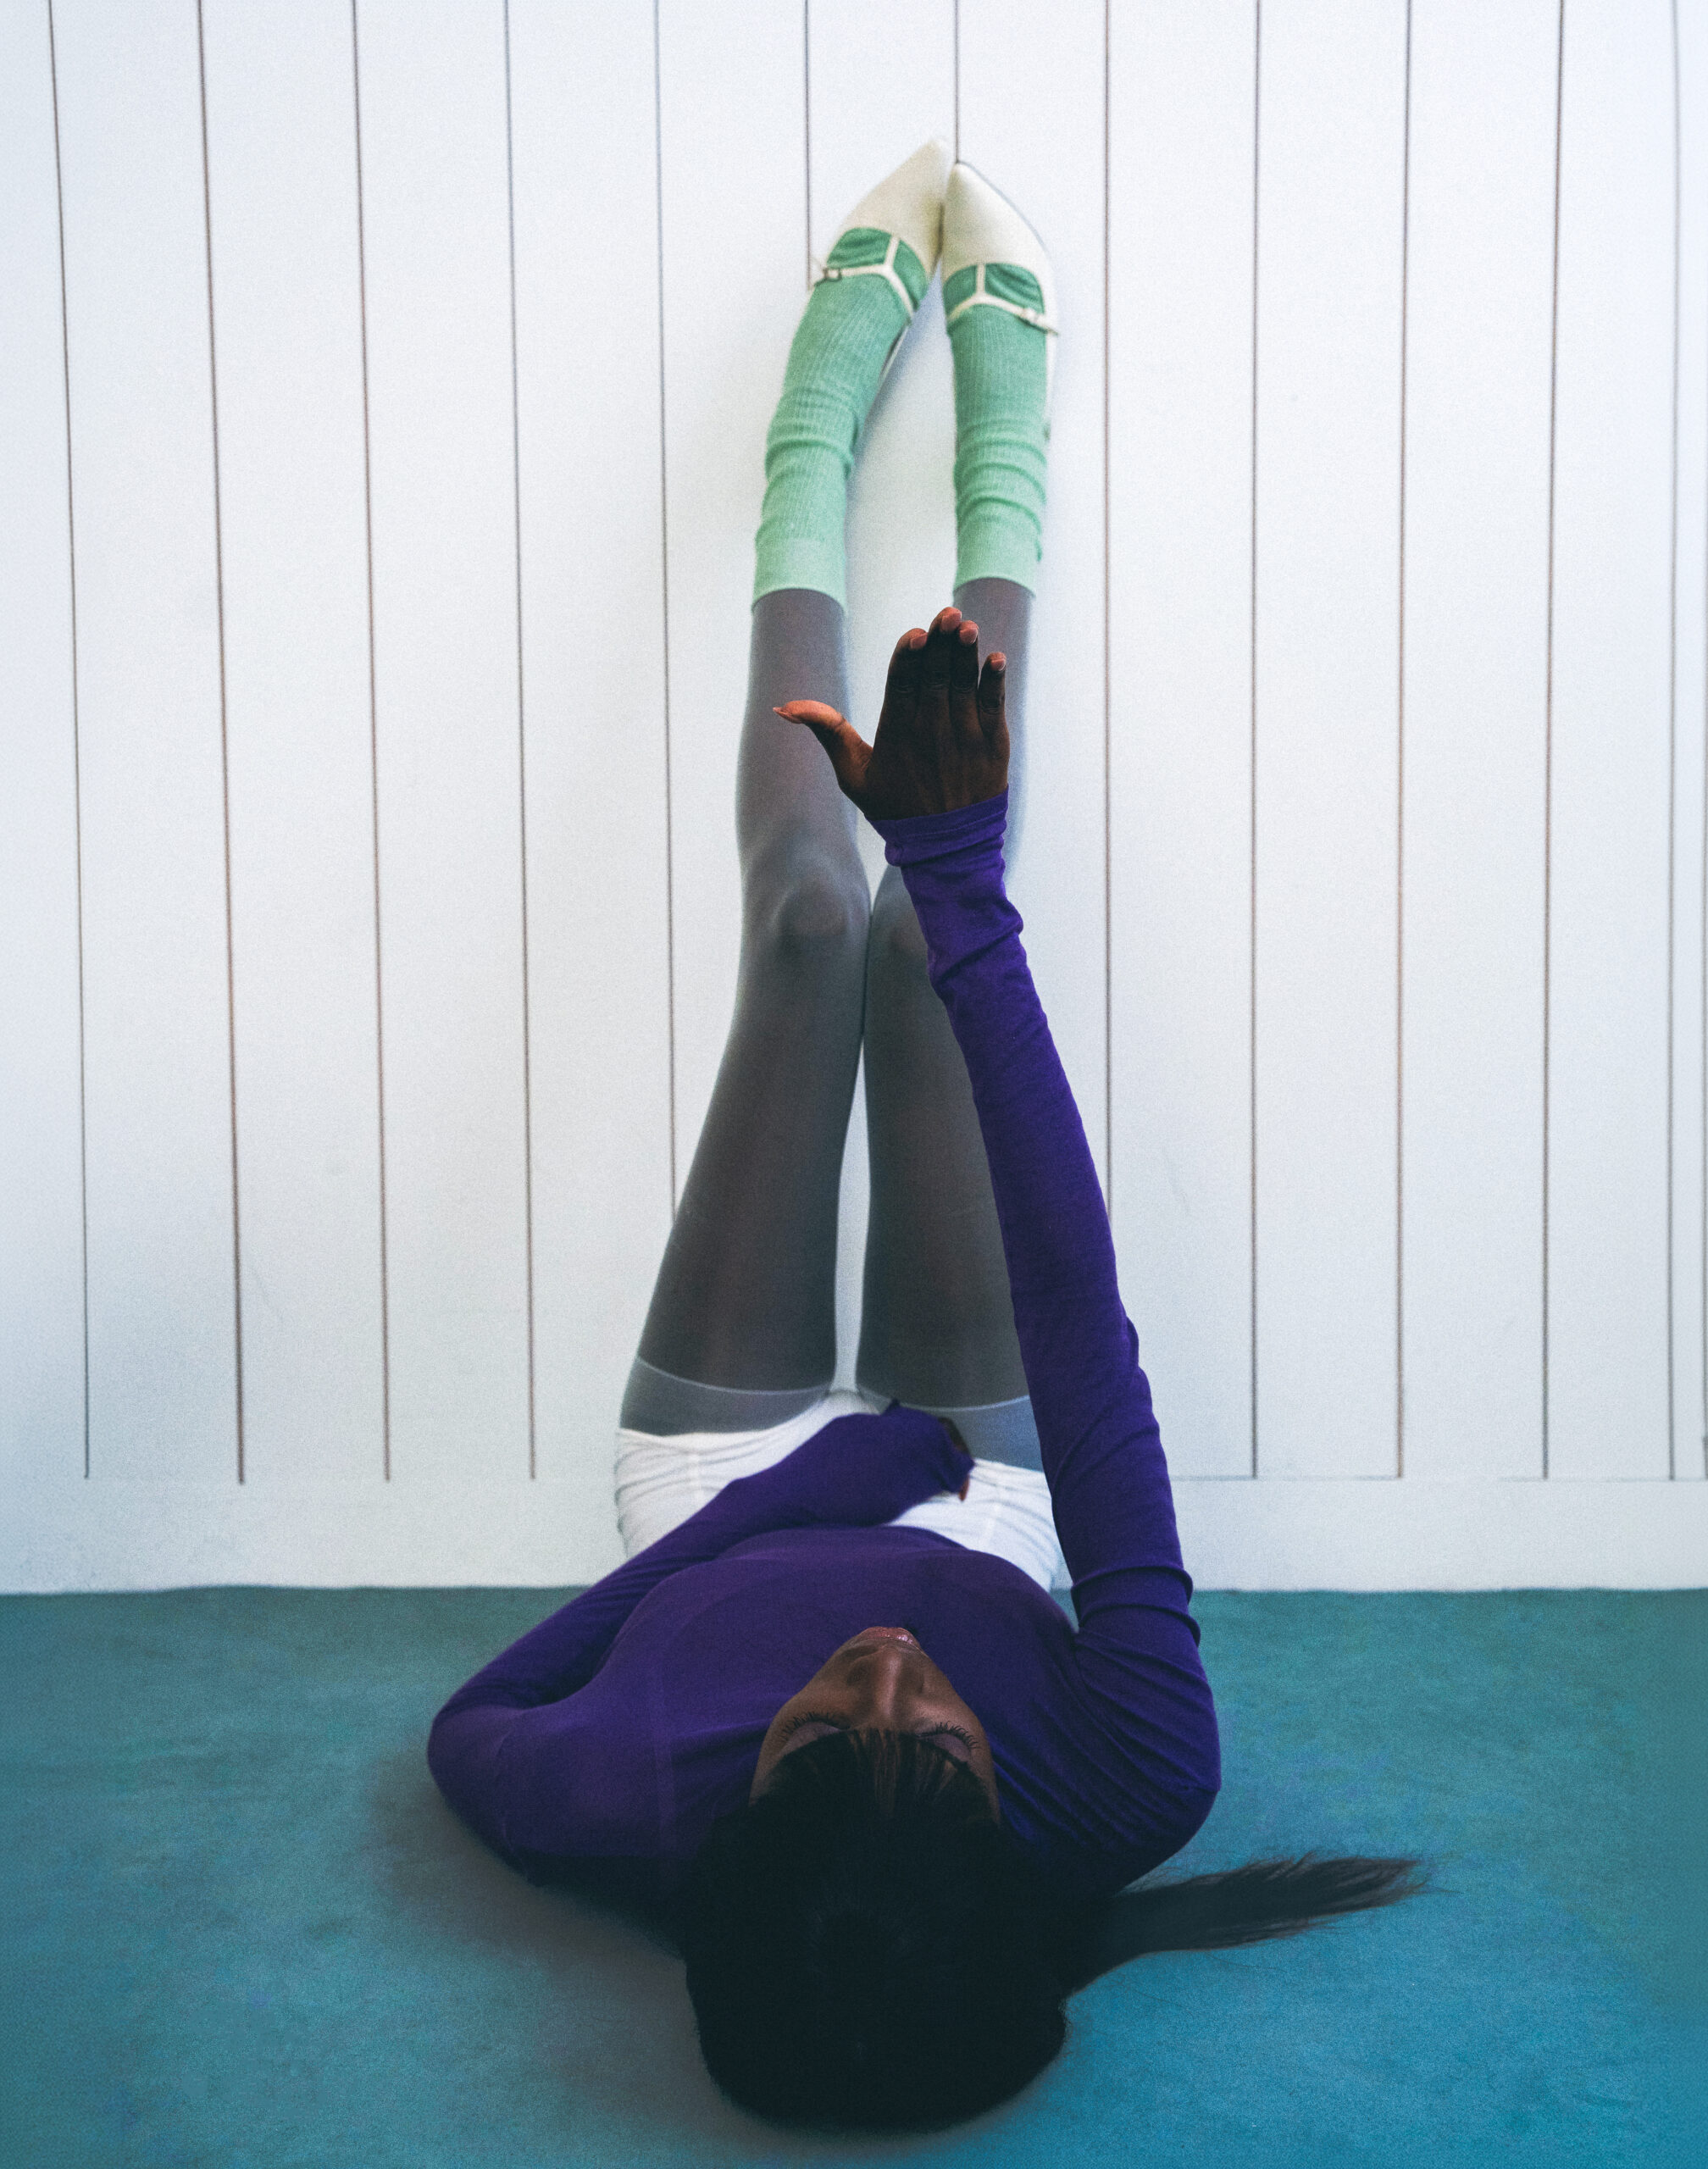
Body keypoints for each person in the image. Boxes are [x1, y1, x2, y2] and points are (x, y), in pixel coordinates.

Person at [428, 145, 1422, 2131]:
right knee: (904, 936)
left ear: (727, 1842)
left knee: (802, 922)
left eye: (819, 1735)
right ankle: (1003, 447)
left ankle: (810, 428)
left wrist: (784, 1505)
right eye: (942, 1740)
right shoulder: (1139, 1778)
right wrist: (963, 883)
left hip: (723, 1483)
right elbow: (1084, 1323)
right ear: (1004, 1839)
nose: (885, 1660)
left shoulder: (602, 1795)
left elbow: (471, 1719)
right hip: (999, 1495)